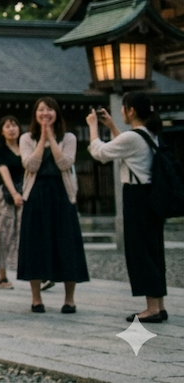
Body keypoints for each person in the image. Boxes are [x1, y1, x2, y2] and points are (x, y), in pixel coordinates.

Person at [87, 93, 168, 323]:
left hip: (137, 196)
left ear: (131, 110)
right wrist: (112, 125)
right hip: (151, 196)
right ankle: (159, 304)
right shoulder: (148, 134)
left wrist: (93, 126)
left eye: (123, 108)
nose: (121, 111)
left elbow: (99, 153)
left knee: (140, 252)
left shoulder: (133, 137)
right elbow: (126, 148)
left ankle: (151, 308)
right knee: (153, 249)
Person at [17, 96, 88, 314]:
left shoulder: (69, 138)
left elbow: (65, 163)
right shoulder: (26, 138)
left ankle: (69, 299)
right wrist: (42, 139)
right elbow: (30, 164)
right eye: (41, 110)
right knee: (35, 245)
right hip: (36, 194)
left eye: (49, 109)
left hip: (62, 194)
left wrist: (52, 139)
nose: (45, 113)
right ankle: (36, 298)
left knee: (66, 244)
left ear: (56, 114)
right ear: (35, 114)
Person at [0, 115, 24, 290]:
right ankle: (2, 276)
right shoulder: (1, 151)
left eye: (14, 125)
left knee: (27, 234)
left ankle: (37, 273)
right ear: (1, 131)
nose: (12, 129)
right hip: (6, 195)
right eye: (7, 126)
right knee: (3, 233)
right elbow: (4, 173)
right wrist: (14, 193)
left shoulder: (26, 148)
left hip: (26, 194)